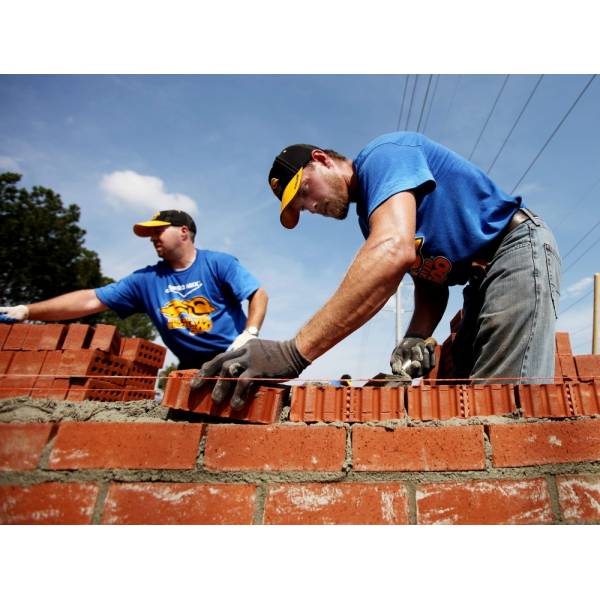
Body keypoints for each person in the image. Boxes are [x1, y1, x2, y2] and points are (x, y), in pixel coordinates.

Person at [192, 132, 561, 408]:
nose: (310, 205)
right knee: (462, 399)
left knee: (502, 403)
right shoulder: (374, 218)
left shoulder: (382, 156)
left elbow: (393, 251)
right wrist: (415, 337)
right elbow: (430, 281)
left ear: (321, 159)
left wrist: (293, 352)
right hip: (479, 282)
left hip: (514, 249)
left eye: (304, 190)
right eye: (301, 206)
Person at [0, 209, 268, 369]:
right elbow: (90, 300)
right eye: (151, 234)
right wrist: (26, 311)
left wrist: (249, 333)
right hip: (191, 367)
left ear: (184, 232)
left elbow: (258, 294)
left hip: (235, 358)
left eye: (159, 231)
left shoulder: (218, 263)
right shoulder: (146, 280)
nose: (153, 238)